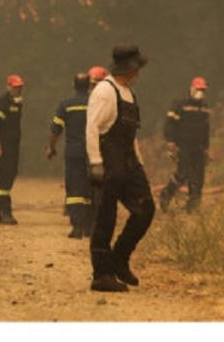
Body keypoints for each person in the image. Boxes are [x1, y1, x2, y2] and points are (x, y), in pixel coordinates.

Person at [86, 47, 155, 293]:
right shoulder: (105, 91)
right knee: (106, 217)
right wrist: (95, 162)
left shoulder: (128, 92)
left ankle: (119, 259)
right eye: (137, 67)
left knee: (145, 209)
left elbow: (130, 133)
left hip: (128, 161)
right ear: (128, 68)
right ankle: (102, 275)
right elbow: (92, 127)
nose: (139, 72)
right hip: (108, 159)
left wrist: (139, 161)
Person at [46, 69, 101, 238]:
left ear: (73, 86)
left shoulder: (66, 104)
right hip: (94, 152)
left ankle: (77, 227)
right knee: (92, 188)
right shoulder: (96, 103)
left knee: (75, 188)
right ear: (89, 86)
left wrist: (51, 147)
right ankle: (90, 227)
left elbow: (55, 130)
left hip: (73, 152)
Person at [159, 76, 211, 213]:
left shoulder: (204, 107)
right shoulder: (180, 104)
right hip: (183, 145)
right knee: (183, 174)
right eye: (199, 89)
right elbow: (170, 123)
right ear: (192, 88)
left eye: (203, 90)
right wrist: (170, 141)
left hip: (199, 147)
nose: (200, 92)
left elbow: (206, 129)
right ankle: (165, 196)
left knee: (198, 177)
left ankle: (193, 207)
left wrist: (206, 148)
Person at [0, 74, 25, 225]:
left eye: (20, 87)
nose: (18, 90)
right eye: (15, 87)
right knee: (5, 176)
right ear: (8, 87)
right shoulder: (1, 103)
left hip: (13, 145)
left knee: (11, 173)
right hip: (2, 145)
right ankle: (5, 211)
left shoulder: (18, 103)